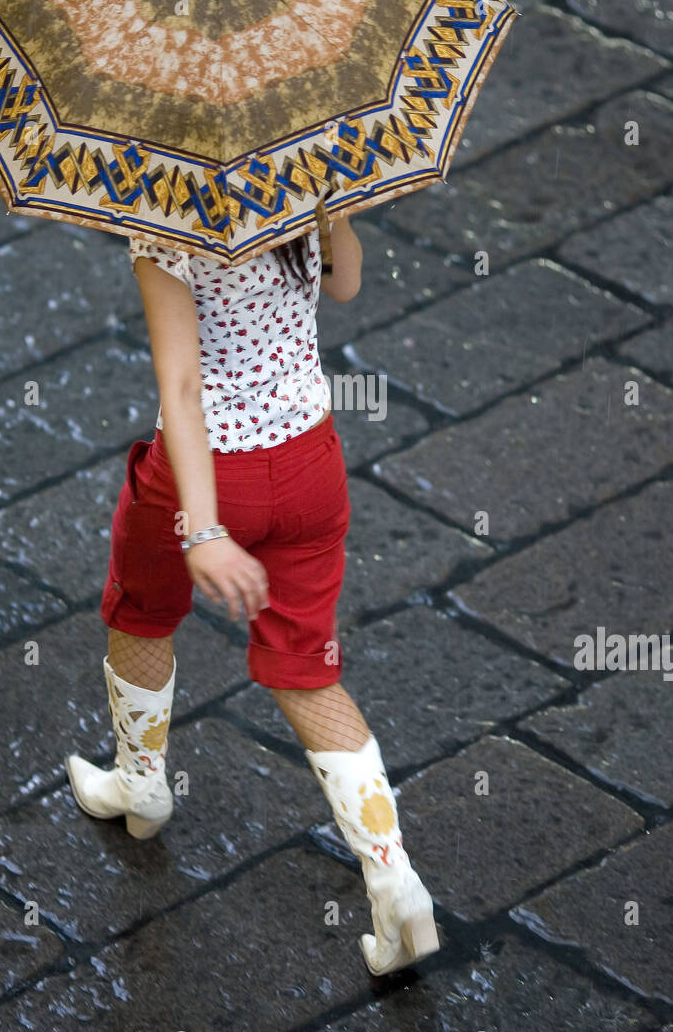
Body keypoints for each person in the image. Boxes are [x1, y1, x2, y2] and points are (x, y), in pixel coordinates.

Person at [65, 211, 439, 977]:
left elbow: (183, 382)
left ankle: (141, 780)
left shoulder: (162, 219)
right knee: (307, 667)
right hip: (310, 464)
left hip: (206, 474)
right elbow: (348, 283)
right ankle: (392, 873)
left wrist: (202, 529)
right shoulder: (300, 186)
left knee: (140, 608)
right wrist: (333, 214)